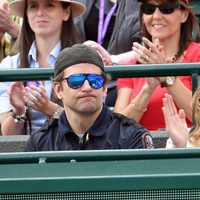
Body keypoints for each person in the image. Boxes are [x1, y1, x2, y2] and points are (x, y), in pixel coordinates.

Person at [25, 44, 154, 151]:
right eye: (76, 81)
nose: (87, 87)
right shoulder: (40, 142)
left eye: (95, 80)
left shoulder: (132, 135)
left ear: (104, 87)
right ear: (59, 90)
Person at [0, 0, 85, 135]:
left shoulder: (84, 62)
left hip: (70, 153)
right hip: (26, 153)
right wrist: (18, 111)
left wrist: (48, 108)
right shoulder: (9, 65)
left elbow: (86, 125)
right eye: (33, 6)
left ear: (66, 12)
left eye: (49, 5)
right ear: (26, 15)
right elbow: (8, 136)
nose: (40, 13)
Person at [114, 0, 200, 130]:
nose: (156, 16)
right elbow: (118, 131)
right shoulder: (131, 66)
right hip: (143, 147)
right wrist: (148, 89)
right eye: (149, 9)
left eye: (166, 8)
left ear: (184, 15)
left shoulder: (197, 55)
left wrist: (166, 76)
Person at [74, 0, 141, 107]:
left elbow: (149, 47)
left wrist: (112, 60)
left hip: (121, 78)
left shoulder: (141, 5)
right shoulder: (81, 2)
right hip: (84, 75)